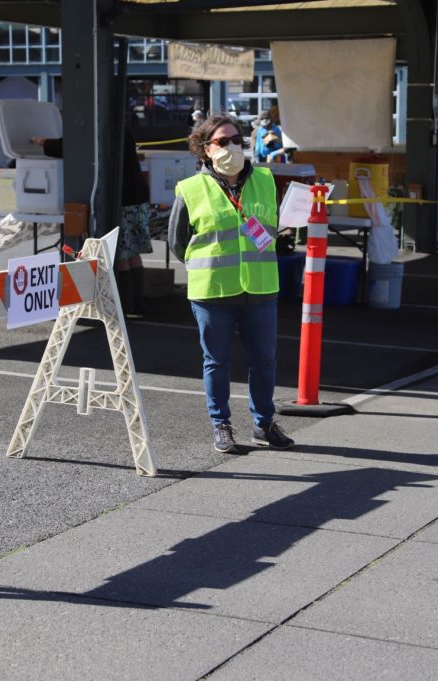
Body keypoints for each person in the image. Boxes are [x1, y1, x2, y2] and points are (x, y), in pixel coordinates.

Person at [167, 114, 294, 454]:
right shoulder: (191, 189)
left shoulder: (266, 180)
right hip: (213, 292)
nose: (231, 146)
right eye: (222, 141)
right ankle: (221, 424)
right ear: (205, 149)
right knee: (216, 362)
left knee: (265, 361)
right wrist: (203, 268)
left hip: (261, 287)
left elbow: (272, 229)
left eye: (236, 139)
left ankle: (264, 423)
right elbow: (177, 242)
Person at [29, 123, 153, 315]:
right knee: (133, 253)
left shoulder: (95, 125)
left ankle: (124, 306)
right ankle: (138, 303)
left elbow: (68, 147)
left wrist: (41, 141)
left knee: (120, 253)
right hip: (137, 194)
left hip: (121, 197)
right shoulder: (121, 125)